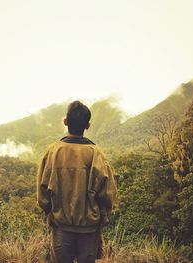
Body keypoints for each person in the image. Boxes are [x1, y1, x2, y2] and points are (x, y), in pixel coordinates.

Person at [37, 100, 117, 263]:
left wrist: (50, 212)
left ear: (65, 121)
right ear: (87, 125)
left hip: (61, 225)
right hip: (89, 229)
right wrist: (103, 217)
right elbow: (108, 194)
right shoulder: (96, 154)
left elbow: (42, 192)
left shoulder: (53, 152)